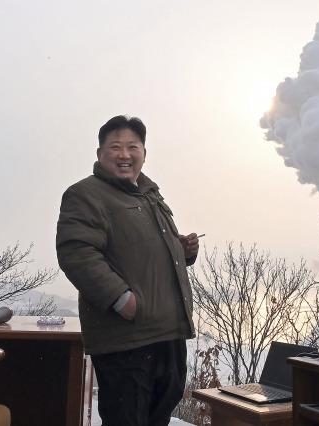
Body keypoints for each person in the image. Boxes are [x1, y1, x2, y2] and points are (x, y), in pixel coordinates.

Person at [56, 115, 199, 426]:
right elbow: (77, 253)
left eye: (133, 146)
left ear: (144, 153)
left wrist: (181, 250)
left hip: (167, 334)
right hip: (126, 339)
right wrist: (123, 300)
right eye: (115, 147)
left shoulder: (149, 194)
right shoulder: (86, 194)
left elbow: (138, 247)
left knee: (157, 416)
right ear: (100, 154)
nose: (125, 154)